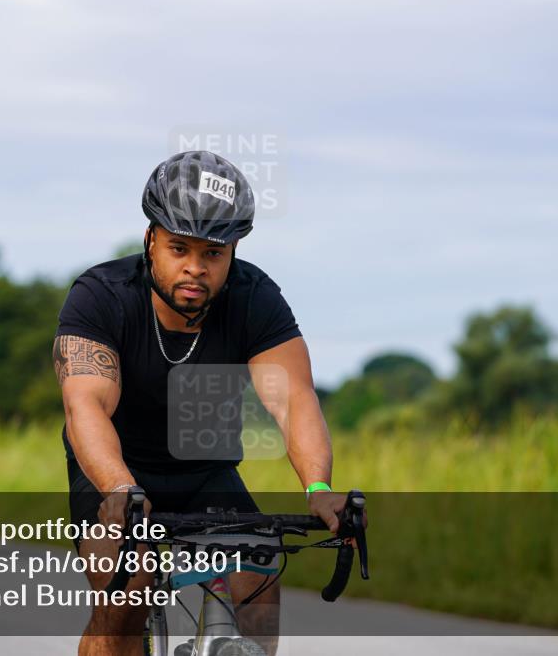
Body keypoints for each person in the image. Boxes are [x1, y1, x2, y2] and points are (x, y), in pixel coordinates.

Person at [54, 151, 355, 656]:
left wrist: (319, 488)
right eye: (179, 248)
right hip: (115, 471)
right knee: (126, 598)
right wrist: (120, 489)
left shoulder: (255, 298)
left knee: (259, 580)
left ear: (233, 251)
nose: (195, 268)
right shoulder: (100, 296)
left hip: (205, 469)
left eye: (213, 254)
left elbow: (293, 400)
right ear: (151, 240)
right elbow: (86, 407)